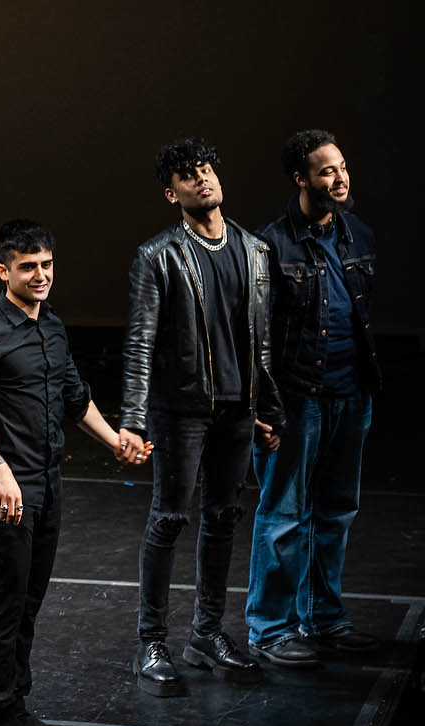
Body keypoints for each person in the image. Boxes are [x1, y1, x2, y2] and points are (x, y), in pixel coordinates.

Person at [0, 220, 136, 726]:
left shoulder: (52, 326)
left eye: (46, 265)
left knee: (29, 602)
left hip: (47, 484)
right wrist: (0, 472)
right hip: (6, 489)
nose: (40, 275)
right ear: (2, 271)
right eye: (27, 267)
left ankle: (19, 706)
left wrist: (114, 440)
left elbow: (74, 398)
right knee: (5, 603)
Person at [119, 138, 285, 696]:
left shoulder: (256, 251)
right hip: (181, 410)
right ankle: (152, 641)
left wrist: (265, 407)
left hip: (238, 408)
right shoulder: (158, 255)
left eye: (207, 169)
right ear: (173, 193)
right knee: (169, 519)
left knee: (222, 518)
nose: (203, 180)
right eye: (188, 176)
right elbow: (140, 344)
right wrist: (135, 421)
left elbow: (263, 343)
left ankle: (207, 634)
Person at [250, 130, 380, 664]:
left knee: (336, 512)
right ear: (301, 179)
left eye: (342, 166)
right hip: (296, 398)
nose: (340, 178)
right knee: (283, 515)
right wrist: (264, 406)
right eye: (327, 170)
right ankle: (271, 629)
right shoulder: (270, 245)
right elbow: (255, 337)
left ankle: (324, 618)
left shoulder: (361, 238)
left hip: (351, 394)